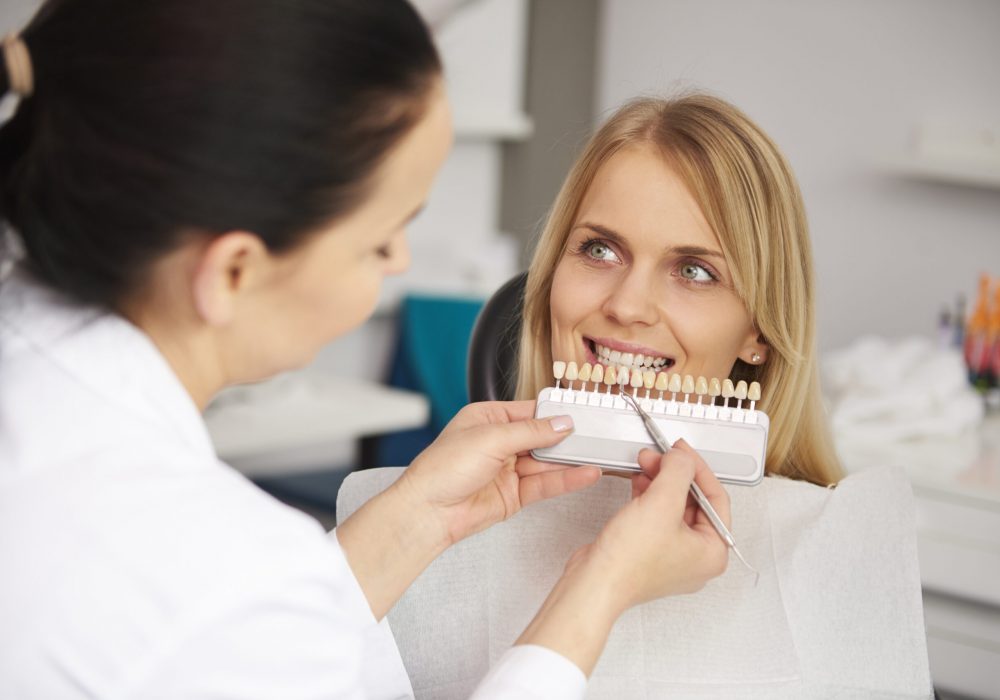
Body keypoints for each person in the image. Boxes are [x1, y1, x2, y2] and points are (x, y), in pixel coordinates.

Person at [0, 2, 732, 698]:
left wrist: (414, 518)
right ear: (233, 272)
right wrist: (597, 588)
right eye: (380, 237)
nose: (399, 261)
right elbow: (231, 621)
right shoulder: (218, 575)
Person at [515, 93, 844, 487]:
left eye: (694, 271)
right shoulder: (457, 506)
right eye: (600, 250)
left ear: (760, 332)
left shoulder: (816, 538)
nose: (627, 306)